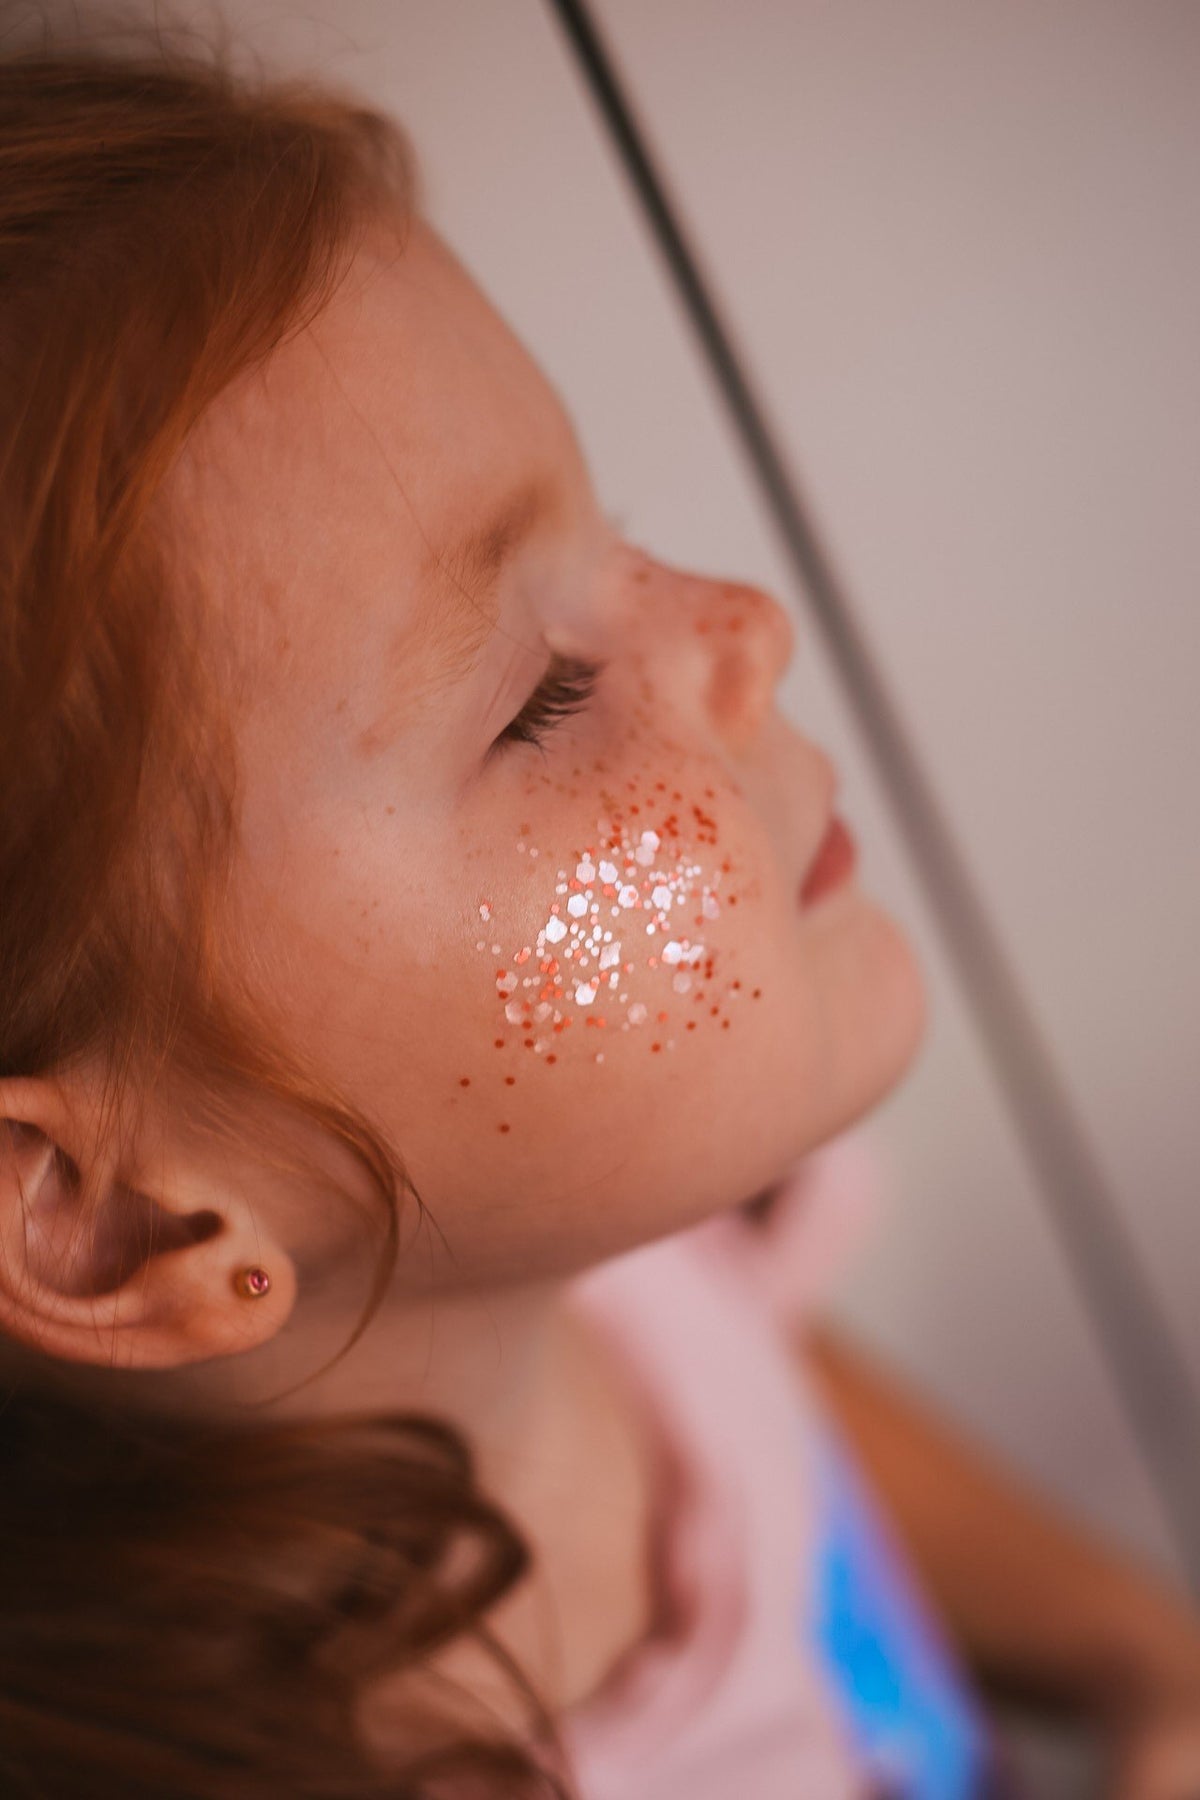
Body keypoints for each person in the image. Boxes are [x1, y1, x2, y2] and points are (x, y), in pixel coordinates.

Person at [2, 22, 1200, 1800]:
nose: (742, 626)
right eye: (539, 694)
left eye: (616, 528)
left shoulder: (573, 1254)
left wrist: (1136, 1653)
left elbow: (766, 1406)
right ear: (114, 1227)